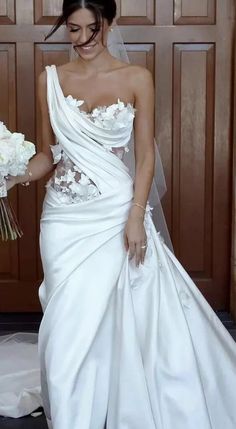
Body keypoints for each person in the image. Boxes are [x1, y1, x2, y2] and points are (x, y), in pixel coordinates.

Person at [1, 1, 236, 428]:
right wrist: (10, 176)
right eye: (73, 30)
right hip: (64, 217)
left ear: (108, 24)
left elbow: (145, 157)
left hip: (115, 210)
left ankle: (115, 398)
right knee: (69, 316)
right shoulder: (49, 80)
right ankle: (73, 414)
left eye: (93, 29)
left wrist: (134, 217)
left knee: (116, 311)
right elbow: (47, 155)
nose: (84, 40)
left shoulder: (136, 79)